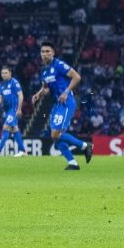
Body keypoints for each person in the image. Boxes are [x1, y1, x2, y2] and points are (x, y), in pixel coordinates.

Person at [31, 42, 93, 170]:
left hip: (67, 102)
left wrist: (65, 92)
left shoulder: (59, 65)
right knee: (56, 136)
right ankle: (73, 163)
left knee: (55, 134)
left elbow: (77, 77)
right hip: (58, 104)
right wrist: (38, 94)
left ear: (53, 53)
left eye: (47, 51)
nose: (44, 54)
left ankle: (85, 146)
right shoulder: (44, 71)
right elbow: (46, 89)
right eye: (42, 51)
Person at [0, 66, 26, 157]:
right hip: (8, 110)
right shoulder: (1, 85)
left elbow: (21, 95)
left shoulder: (14, 82)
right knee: (14, 129)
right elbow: (0, 98)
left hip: (15, 109)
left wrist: (19, 108)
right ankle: (23, 151)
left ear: (10, 73)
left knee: (6, 127)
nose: (4, 75)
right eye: (2, 73)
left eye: (6, 73)